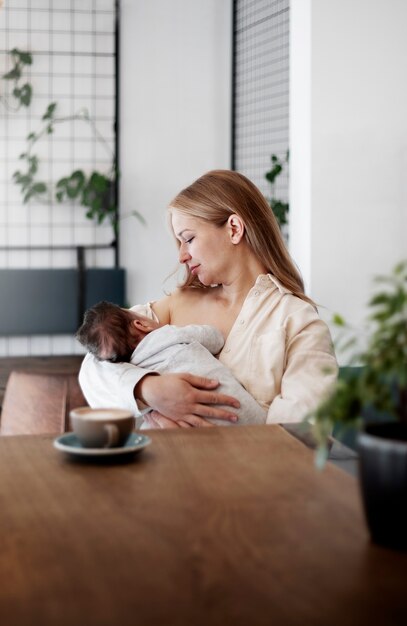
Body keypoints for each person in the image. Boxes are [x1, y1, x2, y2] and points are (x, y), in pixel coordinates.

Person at [79, 169, 338, 429]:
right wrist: (148, 389)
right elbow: (94, 365)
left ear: (234, 229)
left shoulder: (298, 321)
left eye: (189, 239)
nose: (181, 256)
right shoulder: (174, 305)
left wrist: (214, 445)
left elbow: (302, 434)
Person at [76, 300, 266, 427]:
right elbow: (214, 338)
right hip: (244, 417)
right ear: (140, 324)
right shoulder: (169, 333)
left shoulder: (133, 367)